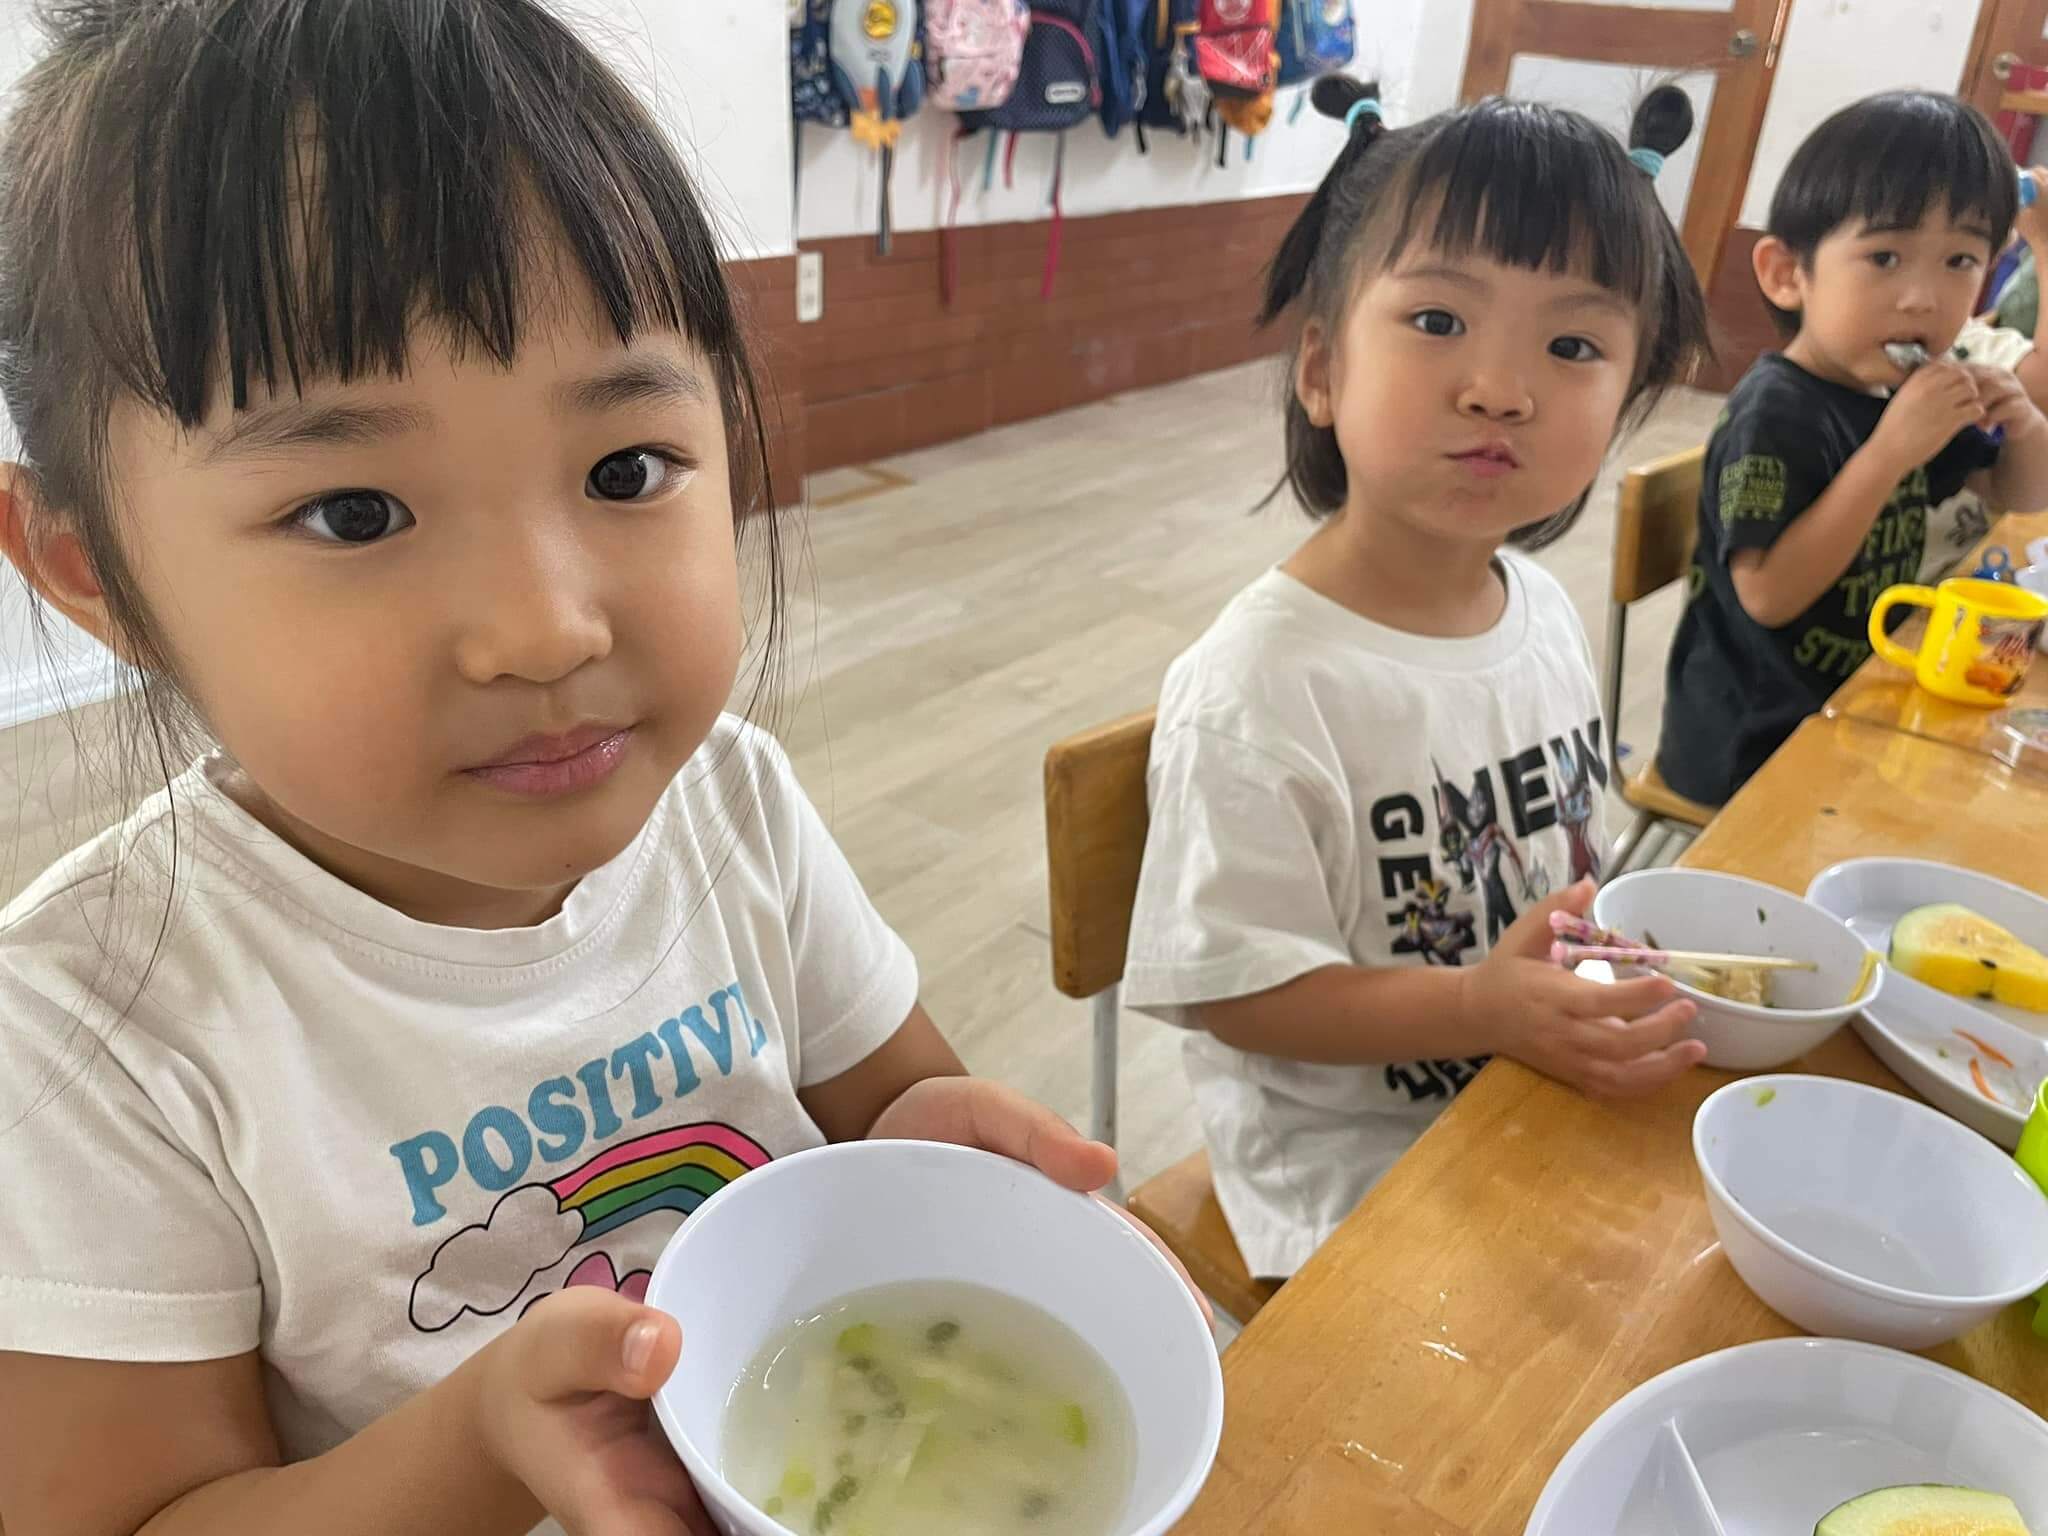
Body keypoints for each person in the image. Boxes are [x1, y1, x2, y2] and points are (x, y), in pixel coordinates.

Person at [0, 3, 1181, 1533]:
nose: (547, 628)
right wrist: (485, 1443)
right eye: (355, 512)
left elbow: (897, 1098)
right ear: (92, 571)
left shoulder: (731, 804)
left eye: (626, 470)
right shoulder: (89, 1031)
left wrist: (932, 1157)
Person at [1120, 77, 1713, 1282]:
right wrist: (1477, 1010)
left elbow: (1567, 861)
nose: (1499, 387)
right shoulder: (1259, 686)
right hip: (1353, 1184)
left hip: (1532, 1093)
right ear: (1321, 369)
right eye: (1438, 319)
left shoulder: (1540, 614)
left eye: (1571, 345)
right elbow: (1232, 994)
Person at [1659, 93, 2048, 808]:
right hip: (1752, 745)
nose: (1922, 297)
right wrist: (1888, 454)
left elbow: (2018, 494)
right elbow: (1767, 596)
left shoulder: (1898, 388)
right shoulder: (1775, 412)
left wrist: (2023, 423)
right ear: (1787, 274)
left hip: (1859, 700)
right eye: (1885, 256)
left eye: (1960, 260)